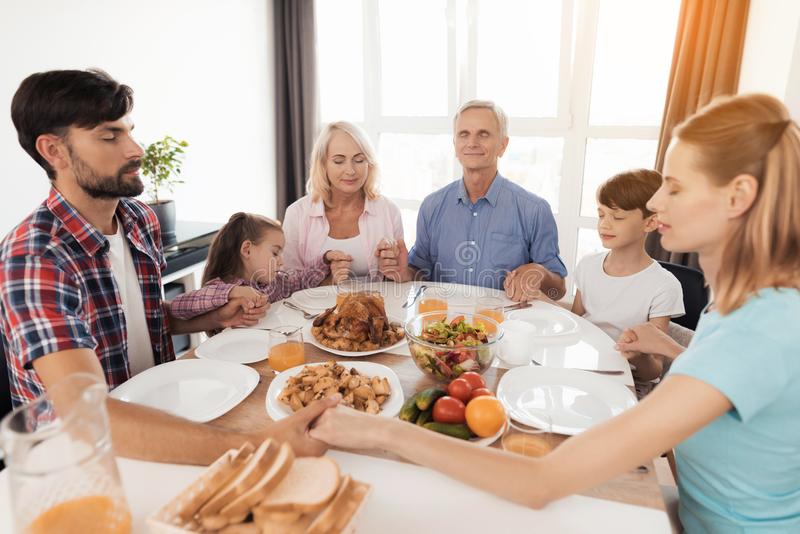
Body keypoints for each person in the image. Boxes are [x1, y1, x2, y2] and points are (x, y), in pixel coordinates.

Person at [309, 93, 800, 531]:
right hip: (693, 507)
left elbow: (541, 481)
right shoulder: (741, 306)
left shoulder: (762, 330)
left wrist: (379, 430)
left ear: (737, 198)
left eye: (674, 185)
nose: (654, 200)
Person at [0, 69, 335, 465]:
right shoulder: (35, 257)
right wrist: (263, 446)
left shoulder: (139, 220)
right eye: (110, 136)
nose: (135, 149)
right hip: (79, 461)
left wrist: (210, 315)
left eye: (129, 131)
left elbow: (136, 322)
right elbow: (86, 414)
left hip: (161, 415)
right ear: (53, 151)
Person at [390, 100, 567, 299]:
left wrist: (539, 272)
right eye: (464, 134)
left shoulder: (534, 210)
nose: (472, 143)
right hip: (441, 326)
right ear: (455, 144)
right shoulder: (432, 206)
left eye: (483, 134)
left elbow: (558, 290)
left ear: (503, 145)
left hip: (507, 326)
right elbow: (420, 273)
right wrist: (403, 271)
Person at [536, 169, 684, 390]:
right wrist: (540, 299)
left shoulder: (663, 286)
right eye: (601, 214)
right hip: (582, 368)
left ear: (650, 223)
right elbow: (576, 324)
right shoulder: (588, 265)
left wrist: (636, 355)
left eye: (617, 217)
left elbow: (653, 370)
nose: (604, 224)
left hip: (630, 383)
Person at [282, 121, 407, 282]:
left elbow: (398, 281)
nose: (351, 170)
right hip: (313, 307)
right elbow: (287, 283)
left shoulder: (389, 211)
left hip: (375, 306)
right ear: (323, 164)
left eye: (359, 160)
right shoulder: (297, 214)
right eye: (339, 161)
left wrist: (393, 269)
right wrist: (326, 281)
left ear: (369, 163)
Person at [169, 212, 351, 320]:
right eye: (275, 252)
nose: (281, 260)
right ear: (247, 249)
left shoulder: (276, 283)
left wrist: (325, 260)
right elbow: (179, 306)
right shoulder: (219, 288)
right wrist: (235, 292)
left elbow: (303, 280)